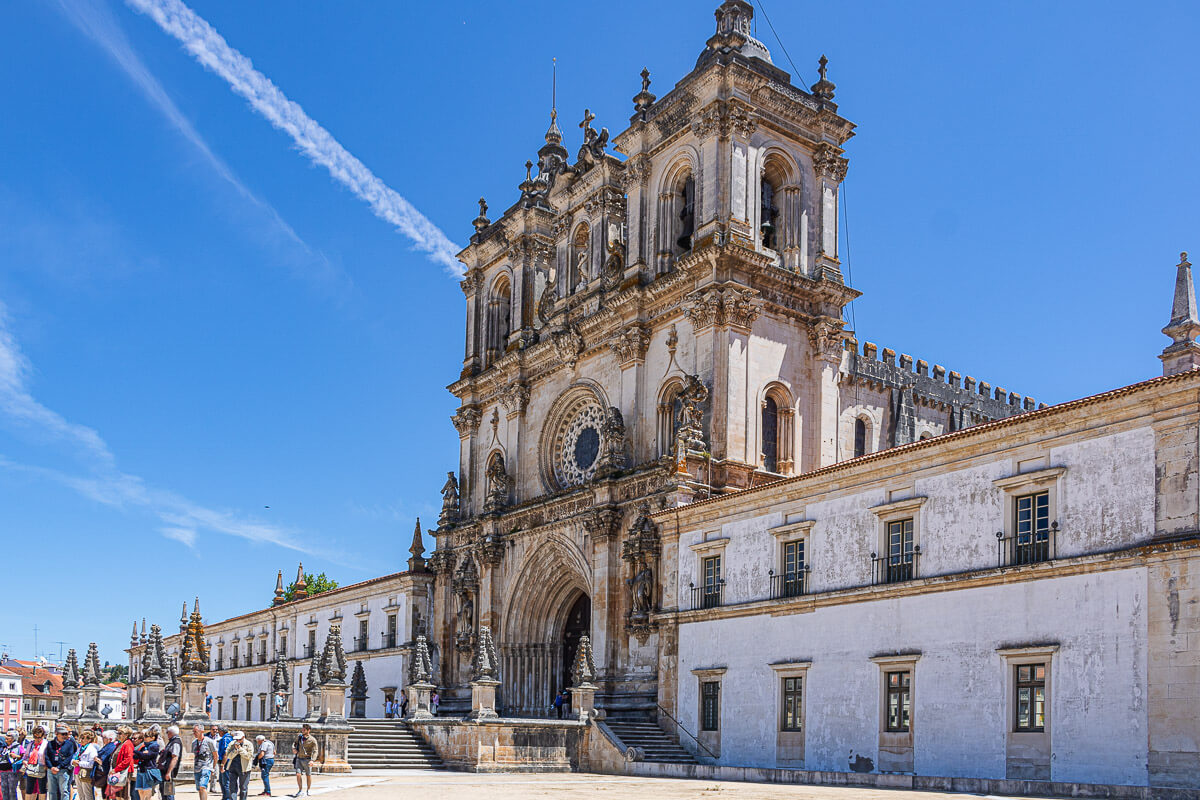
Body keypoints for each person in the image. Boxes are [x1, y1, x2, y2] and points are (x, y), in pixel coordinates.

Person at [46, 724, 78, 800]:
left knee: (64, 791)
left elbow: (69, 757)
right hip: (51, 771)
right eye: (63, 734)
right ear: (57, 734)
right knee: (52, 791)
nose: (65, 736)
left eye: (66, 734)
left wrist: (58, 767)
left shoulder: (69, 744)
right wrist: (51, 767)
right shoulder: (50, 743)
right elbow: (47, 756)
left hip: (63, 770)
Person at [220, 734, 251, 800]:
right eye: (236, 739)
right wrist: (235, 750)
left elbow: (248, 756)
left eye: (239, 739)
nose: (238, 741)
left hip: (244, 768)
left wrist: (240, 749)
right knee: (232, 787)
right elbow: (228, 756)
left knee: (243, 787)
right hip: (233, 767)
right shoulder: (232, 744)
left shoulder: (249, 744)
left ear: (243, 737)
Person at [131, 729, 160, 800]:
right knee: (140, 790)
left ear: (153, 737)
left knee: (147, 790)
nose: (145, 738)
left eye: (147, 736)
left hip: (148, 770)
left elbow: (146, 756)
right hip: (141, 769)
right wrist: (139, 753)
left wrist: (134, 751)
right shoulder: (144, 746)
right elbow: (138, 756)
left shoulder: (154, 746)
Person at [106, 728, 134, 800]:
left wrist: (116, 769)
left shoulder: (128, 744)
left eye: (120, 733)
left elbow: (128, 759)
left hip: (123, 772)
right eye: (117, 733)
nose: (118, 735)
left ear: (126, 735)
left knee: (122, 795)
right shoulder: (120, 743)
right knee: (116, 794)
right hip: (117, 772)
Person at [22, 726, 49, 800]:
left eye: (39, 737)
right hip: (31, 767)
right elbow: (26, 756)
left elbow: (48, 756)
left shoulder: (46, 744)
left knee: (42, 789)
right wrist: (24, 760)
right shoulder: (30, 744)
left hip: (42, 768)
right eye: (35, 736)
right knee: (29, 789)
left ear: (43, 736)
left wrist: (47, 765)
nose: (37, 739)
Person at [289, 726, 316, 798]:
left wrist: (312, 760)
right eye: (302, 729)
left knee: (308, 775)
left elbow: (315, 751)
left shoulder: (312, 740)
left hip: (307, 759)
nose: (302, 731)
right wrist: (293, 749)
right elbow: (294, 743)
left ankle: (308, 789)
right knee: (298, 774)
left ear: (308, 730)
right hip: (299, 758)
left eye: (304, 730)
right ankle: (300, 790)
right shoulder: (299, 737)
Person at [71, 731, 99, 800]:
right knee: (81, 794)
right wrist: (73, 762)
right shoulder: (80, 748)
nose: (81, 740)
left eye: (83, 738)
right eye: (81, 738)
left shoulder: (92, 749)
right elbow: (74, 757)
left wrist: (79, 763)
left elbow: (91, 764)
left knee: (88, 794)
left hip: (86, 774)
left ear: (89, 740)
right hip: (77, 772)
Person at [190, 727, 216, 800]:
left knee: (203, 786)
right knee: (199, 788)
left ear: (202, 731)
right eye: (193, 732)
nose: (194, 733)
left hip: (206, 767)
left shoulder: (209, 741)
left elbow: (215, 755)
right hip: (197, 768)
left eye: (196, 731)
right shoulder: (194, 743)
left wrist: (212, 768)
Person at [155, 727, 181, 800]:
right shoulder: (172, 741)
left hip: (168, 771)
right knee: (164, 792)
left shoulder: (175, 742)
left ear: (171, 733)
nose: (167, 734)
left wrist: (169, 772)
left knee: (168, 792)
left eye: (167, 733)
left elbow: (175, 758)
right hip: (164, 770)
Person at [90, 732, 116, 800]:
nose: (102, 739)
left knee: (107, 793)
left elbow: (104, 760)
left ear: (110, 739)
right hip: (104, 773)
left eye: (104, 738)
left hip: (106, 773)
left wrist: (97, 760)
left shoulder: (111, 747)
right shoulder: (107, 746)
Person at [0, 729, 20, 800]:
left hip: (12, 771)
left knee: (12, 792)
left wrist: (16, 756)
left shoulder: (18, 747)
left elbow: (23, 757)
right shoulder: (5, 747)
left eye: (8, 736)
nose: (6, 737)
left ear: (13, 738)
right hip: (3, 771)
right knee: (4, 791)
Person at [214, 727, 231, 800]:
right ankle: (225, 796)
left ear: (221, 731)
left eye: (219, 731)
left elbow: (225, 753)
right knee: (222, 780)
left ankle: (227, 797)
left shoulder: (225, 739)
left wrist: (222, 765)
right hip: (226, 761)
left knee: (225, 781)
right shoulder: (228, 738)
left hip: (225, 762)